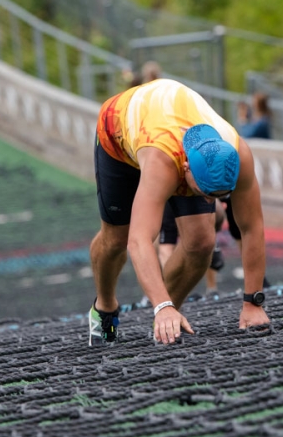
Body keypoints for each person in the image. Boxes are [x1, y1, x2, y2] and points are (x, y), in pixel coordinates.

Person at [89, 78, 269, 345]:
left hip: (175, 135)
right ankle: (104, 307)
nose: (213, 201)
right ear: (186, 170)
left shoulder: (238, 152)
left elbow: (251, 226)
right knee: (116, 238)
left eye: (221, 196)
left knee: (201, 242)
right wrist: (160, 305)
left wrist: (253, 302)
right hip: (120, 135)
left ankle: (166, 318)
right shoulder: (163, 161)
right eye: (207, 192)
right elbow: (139, 240)